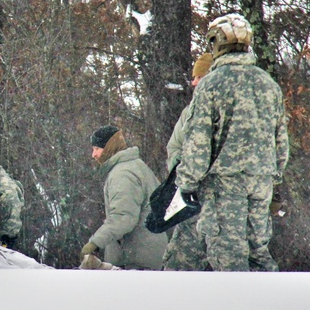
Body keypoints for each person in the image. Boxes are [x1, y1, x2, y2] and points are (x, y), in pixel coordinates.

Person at [176, 15, 289, 271]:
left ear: (215, 43)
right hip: (261, 182)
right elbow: (281, 141)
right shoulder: (268, 85)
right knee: (258, 252)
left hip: (225, 184)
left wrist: (188, 183)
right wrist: (274, 177)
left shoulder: (212, 85)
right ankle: (266, 306)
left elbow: (198, 144)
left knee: (228, 257)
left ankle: (235, 308)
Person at [80, 126, 168, 270]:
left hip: (137, 260)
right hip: (149, 256)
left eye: (97, 149)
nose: (93, 155)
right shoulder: (136, 166)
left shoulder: (123, 174)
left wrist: (94, 243)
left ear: (109, 147)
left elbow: (123, 218)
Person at [162, 52, 213, 271]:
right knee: (178, 264)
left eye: (199, 77)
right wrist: (181, 171)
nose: (193, 82)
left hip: (219, 204)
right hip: (191, 201)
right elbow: (173, 147)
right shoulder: (188, 113)